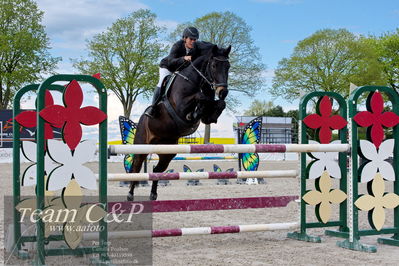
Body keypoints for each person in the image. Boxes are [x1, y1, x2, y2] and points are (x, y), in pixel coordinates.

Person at [145, 26, 212, 117]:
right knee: (162, 82)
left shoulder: (196, 46)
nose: (193, 42)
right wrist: (183, 58)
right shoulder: (177, 45)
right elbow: (171, 61)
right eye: (191, 39)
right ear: (184, 38)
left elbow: (209, 46)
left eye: (195, 39)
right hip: (168, 67)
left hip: (181, 70)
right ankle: (153, 107)